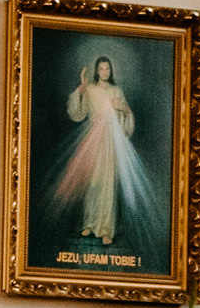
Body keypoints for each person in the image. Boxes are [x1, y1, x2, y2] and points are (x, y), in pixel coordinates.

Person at [48, 55, 161, 256]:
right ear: (97, 71)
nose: (105, 72)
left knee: (108, 185)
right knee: (93, 183)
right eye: (101, 69)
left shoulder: (117, 91)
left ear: (110, 71)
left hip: (111, 140)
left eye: (107, 69)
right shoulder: (91, 89)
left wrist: (124, 110)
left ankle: (106, 230)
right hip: (93, 139)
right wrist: (81, 90)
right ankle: (90, 224)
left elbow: (127, 116)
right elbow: (78, 113)